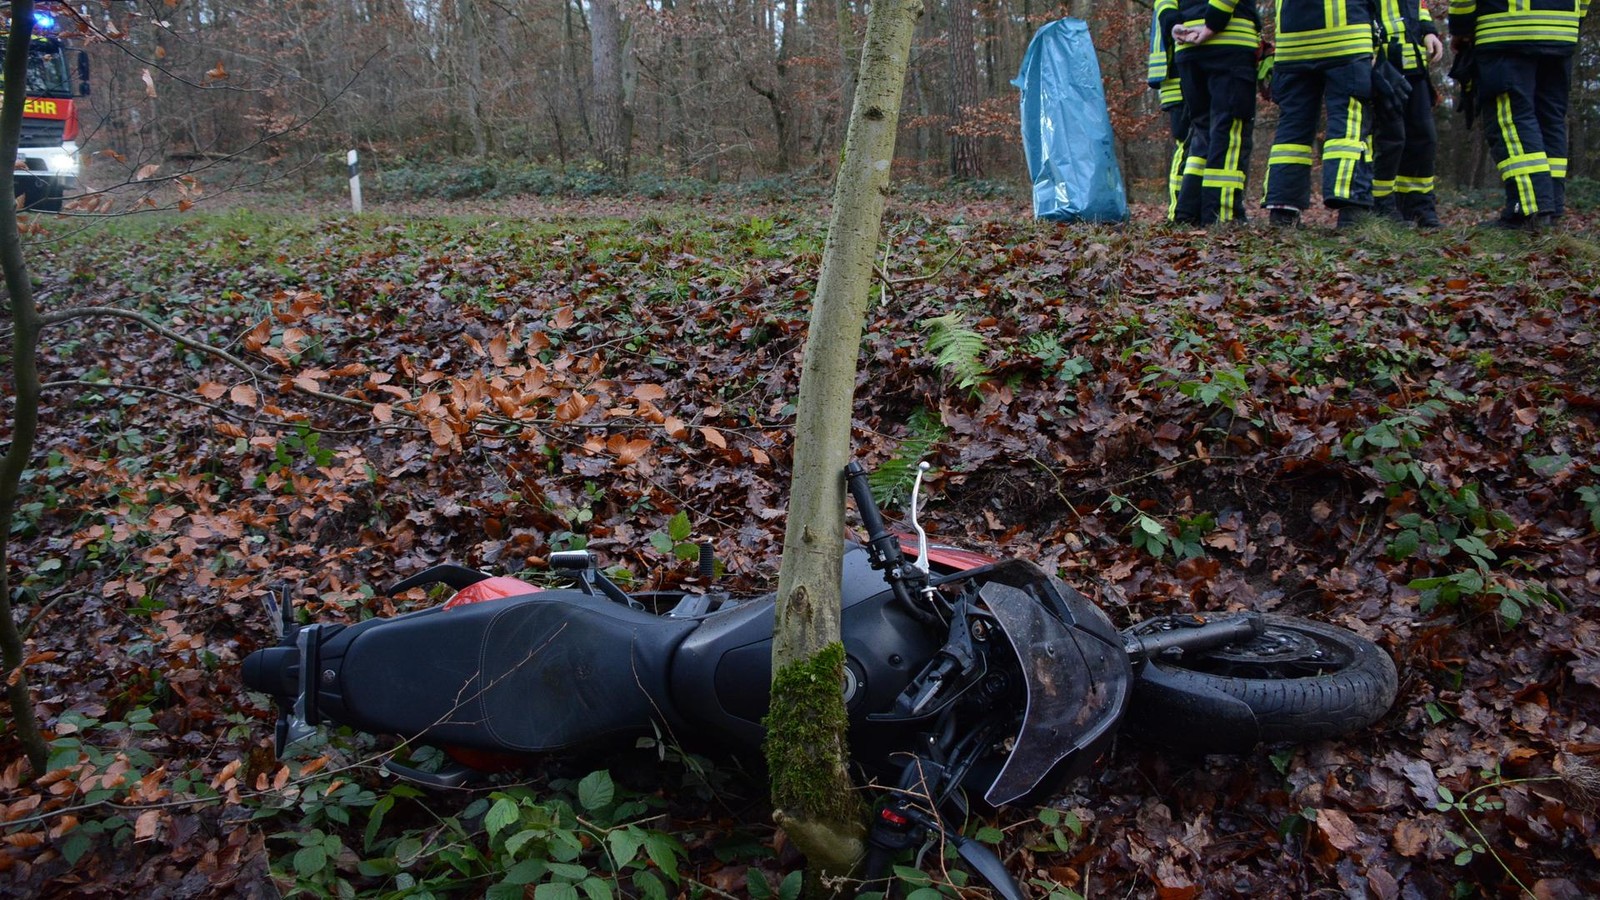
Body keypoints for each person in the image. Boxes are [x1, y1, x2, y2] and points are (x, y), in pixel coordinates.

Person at [1448, 0, 1592, 228]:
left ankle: (1529, 210)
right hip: (1561, 35)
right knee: (1549, 120)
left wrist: (1460, 28)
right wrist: (1572, 22)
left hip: (1506, 33)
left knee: (1512, 119)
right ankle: (1549, 207)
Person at [1259, 0, 1381, 228]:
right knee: (1348, 120)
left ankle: (1283, 209)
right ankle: (1350, 206)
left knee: (1292, 128)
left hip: (1292, 43)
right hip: (1347, 38)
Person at [1372, 0, 1445, 227]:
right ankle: (1382, 206)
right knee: (1390, 139)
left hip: (1414, 65)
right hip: (1380, 66)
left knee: (1424, 138)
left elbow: (1419, 8)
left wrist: (1429, 32)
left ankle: (1419, 207)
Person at [1147, 0, 1192, 222]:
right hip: (1177, 80)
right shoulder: (1169, 8)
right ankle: (1178, 210)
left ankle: (1186, 209)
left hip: (1177, 79)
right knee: (1186, 144)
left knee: (1190, 145)